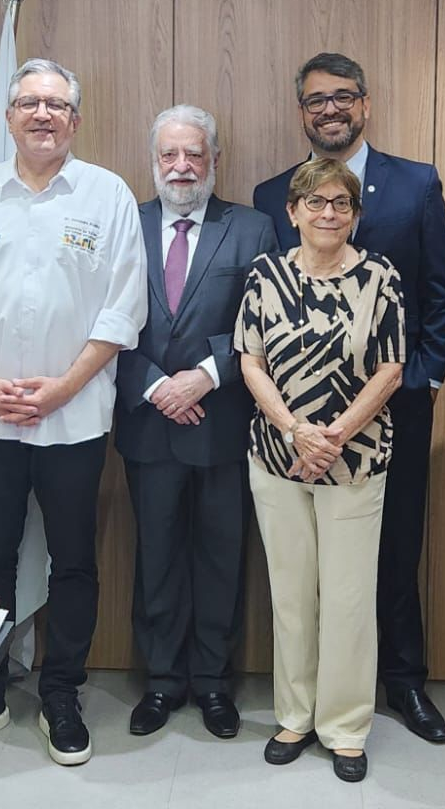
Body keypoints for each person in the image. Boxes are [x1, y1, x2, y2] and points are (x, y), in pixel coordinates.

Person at [0, 58, 147, 766]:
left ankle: (62, 693)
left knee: (74, 560)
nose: (42, 115)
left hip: (76, 416)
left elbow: (124, 308)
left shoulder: (108, 194)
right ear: (9, 117)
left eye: (56, 105)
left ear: (75, 121)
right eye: (29, 102)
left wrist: (63, 387)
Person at [252, 52, 445, 742]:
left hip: (392, 410)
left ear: (365, 104)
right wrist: (295, 421)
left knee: (395, 549)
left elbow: (440, 292)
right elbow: (259, 308)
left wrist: (423, 376)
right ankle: (306, 704)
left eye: (343, 97)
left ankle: (404, 684)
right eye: (316, 100)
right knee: (305, 572)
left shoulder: (416, 183)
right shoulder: (269, 194)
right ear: (301, 111)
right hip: (293, 426)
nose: (330, 109)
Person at [237, 158, 404, 783]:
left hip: (355, 460)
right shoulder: (265, 274)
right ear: (293, 211)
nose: (328, 213)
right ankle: (295, 716)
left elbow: (391, 367)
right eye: (316, 202)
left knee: (348, 598)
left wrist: (334, 435)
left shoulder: (380, 277)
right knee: (291, 595)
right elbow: (250, 360)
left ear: (355, 214)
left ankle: (345, 726)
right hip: (278, 457)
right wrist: (295, 430)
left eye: (341, 203)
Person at [115, 105, 276, 739]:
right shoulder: (124, 223)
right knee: (155, 555)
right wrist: (156, 385)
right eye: (169, 156)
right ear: (153, 161)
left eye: (194, 155)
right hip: (149, 420)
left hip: (223, 421)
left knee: (219, 557)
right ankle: (161, 681)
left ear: (215, 160)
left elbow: (262, 322)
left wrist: (206, 375)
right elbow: (102, 320)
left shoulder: (254, 227)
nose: (182, 167)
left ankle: (212, 683)